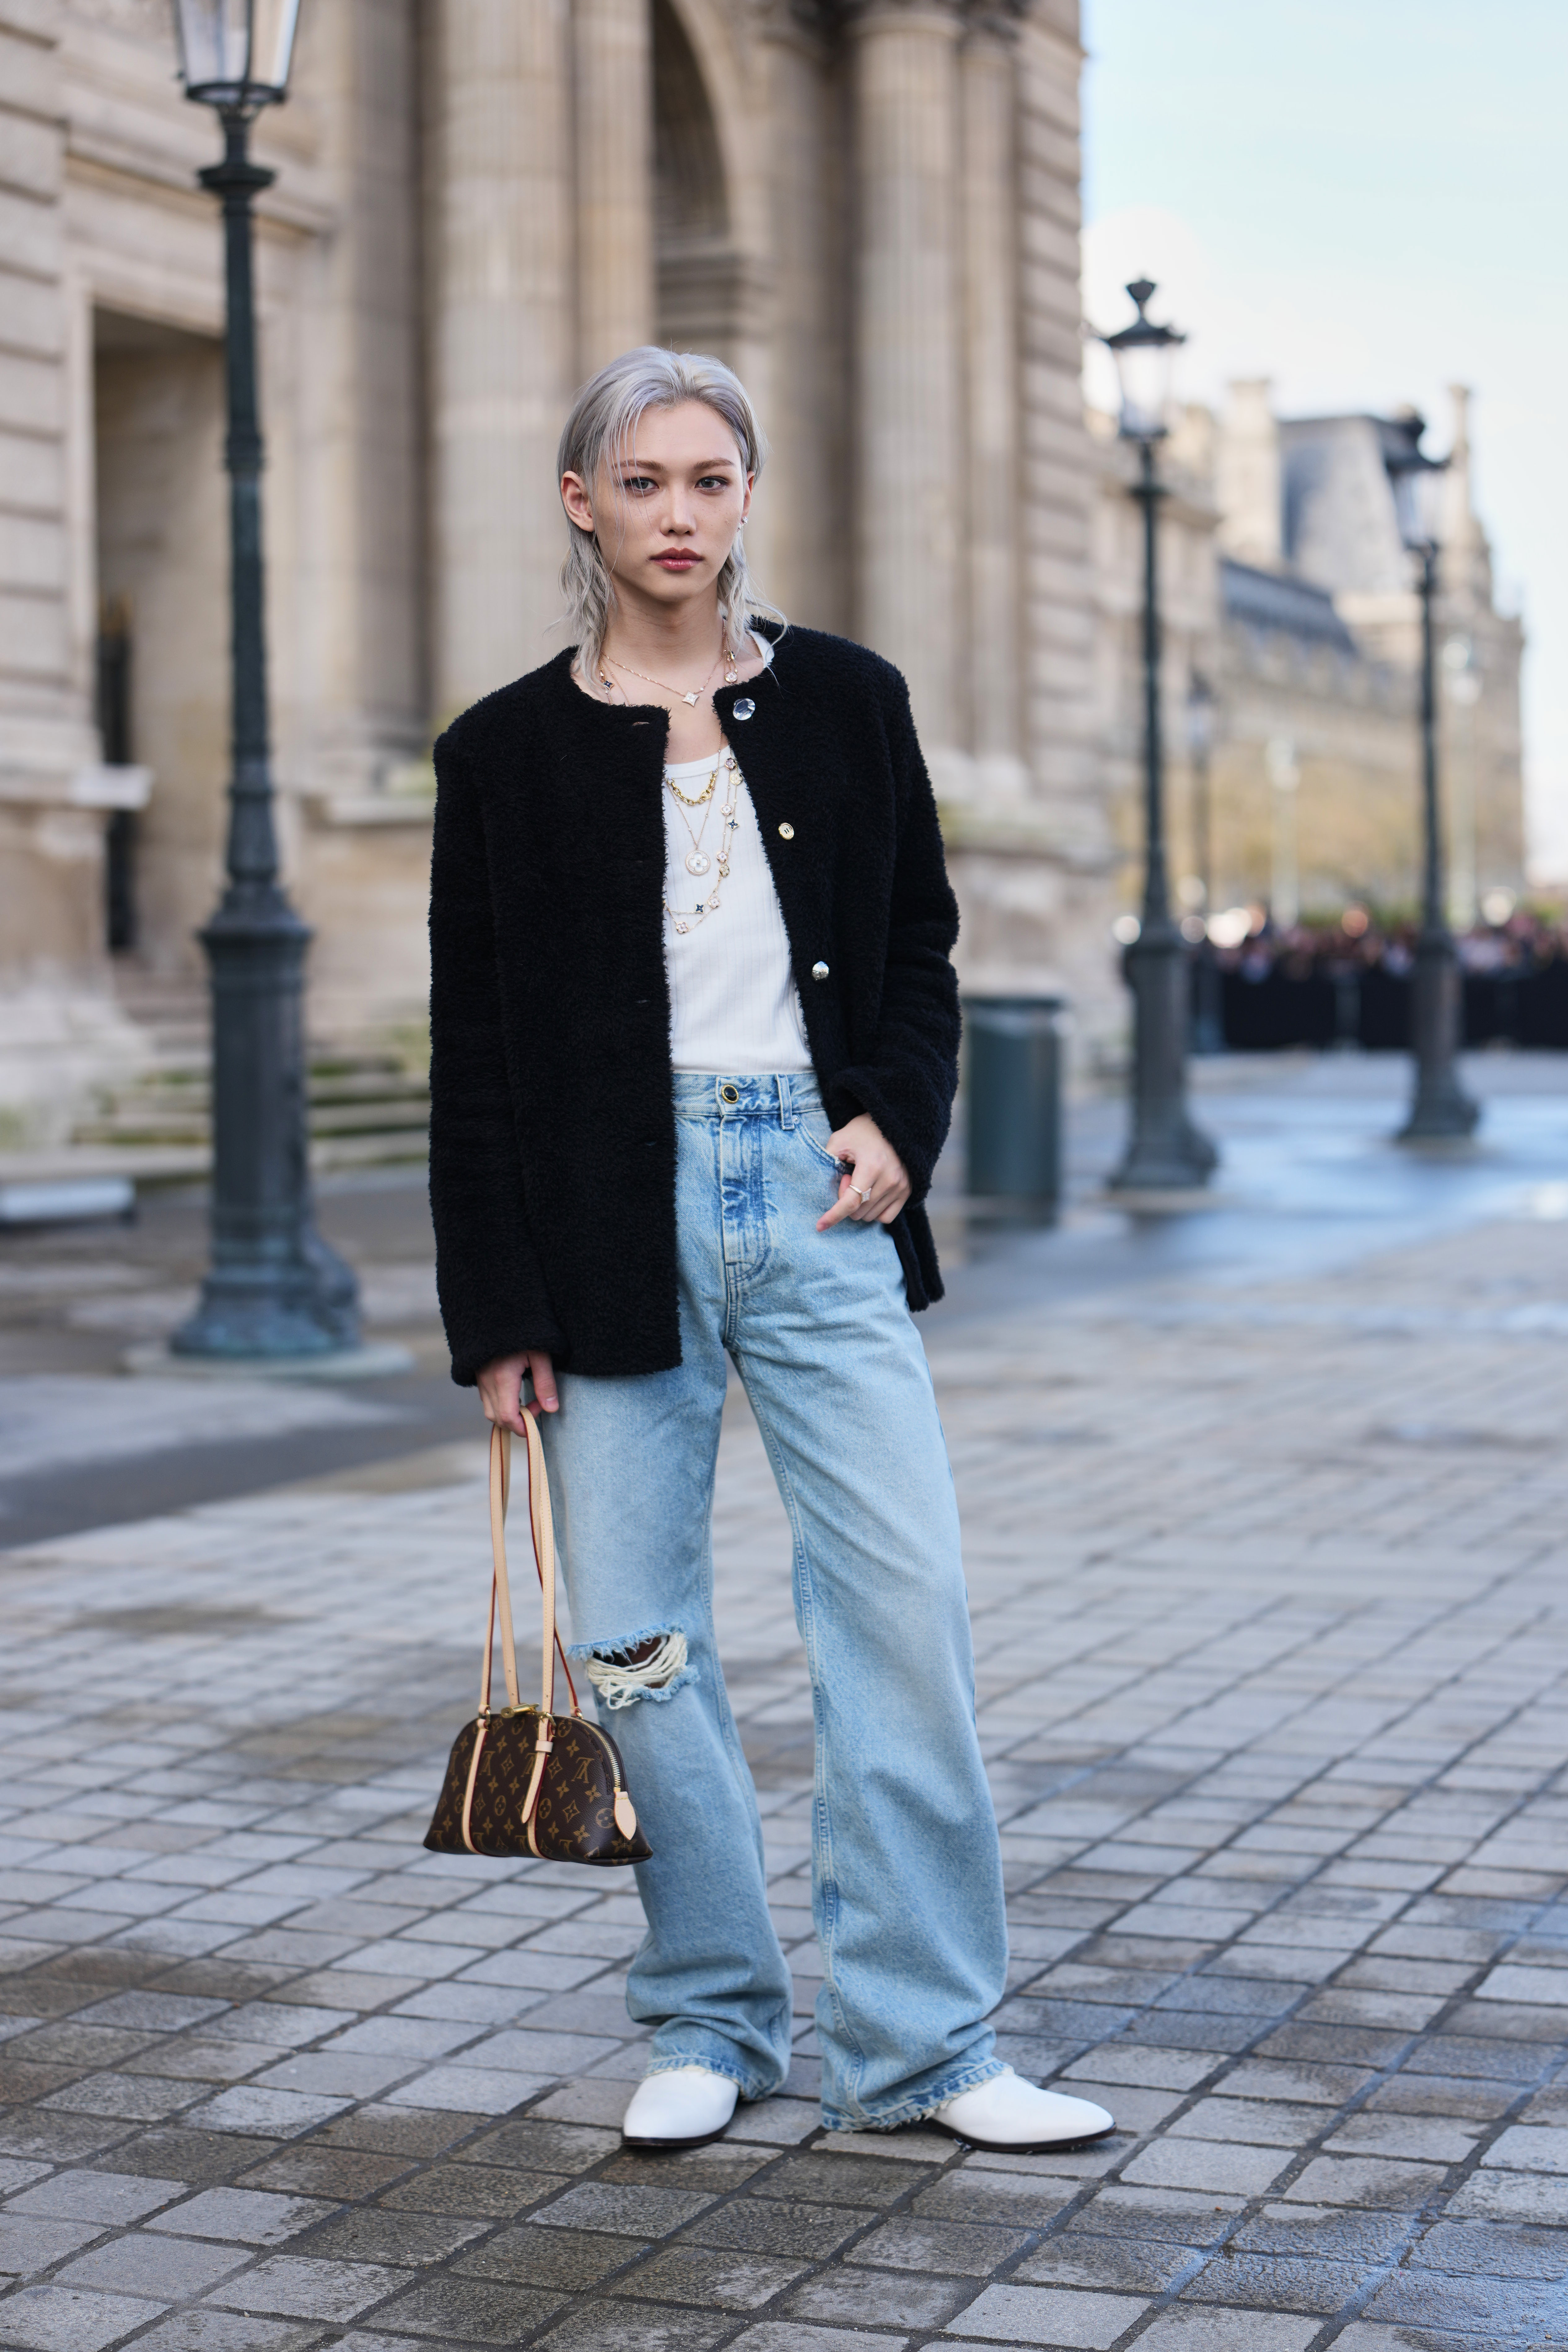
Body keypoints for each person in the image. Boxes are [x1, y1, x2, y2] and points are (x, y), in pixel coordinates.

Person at [427, 346, 1113, 2157]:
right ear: (582, 501)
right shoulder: (498, 753)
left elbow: (916, 947)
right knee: (642, 1641)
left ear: (747, 497)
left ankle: (928, 2046)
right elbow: (475, 1051)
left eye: (708, 479)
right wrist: (496, 1308)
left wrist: (894, 1116)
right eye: (640, 481)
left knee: (901, 1613)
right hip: (603, 1226)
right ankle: (713, 2014)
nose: (677, 513)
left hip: (815, 1198)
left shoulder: (846, 704)